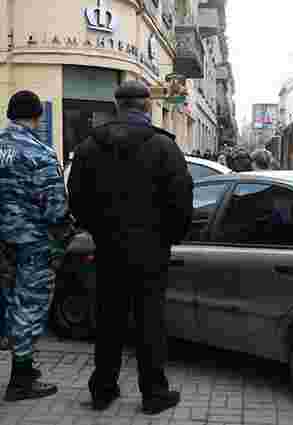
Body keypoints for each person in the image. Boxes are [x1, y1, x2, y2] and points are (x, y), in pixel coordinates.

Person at [68, 81, 194, 414]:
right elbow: (182, 201)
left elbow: (77, 200)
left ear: (117, 106)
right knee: (149, 321)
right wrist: (168, 237)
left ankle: (103, 390)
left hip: (109, 247)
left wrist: (98, 230)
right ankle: (153, 393)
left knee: (108, 319)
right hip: (151, 250)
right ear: (147, 106)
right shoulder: (164, 148)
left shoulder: (88, 147)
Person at [0, 90, 69, 401]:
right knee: (28, 308)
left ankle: (24, 370)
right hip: (31, 245)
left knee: (8, 305)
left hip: (3, 245)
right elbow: (55, 209)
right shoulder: (40, 154)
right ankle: (20, 379)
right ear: (38, 117)